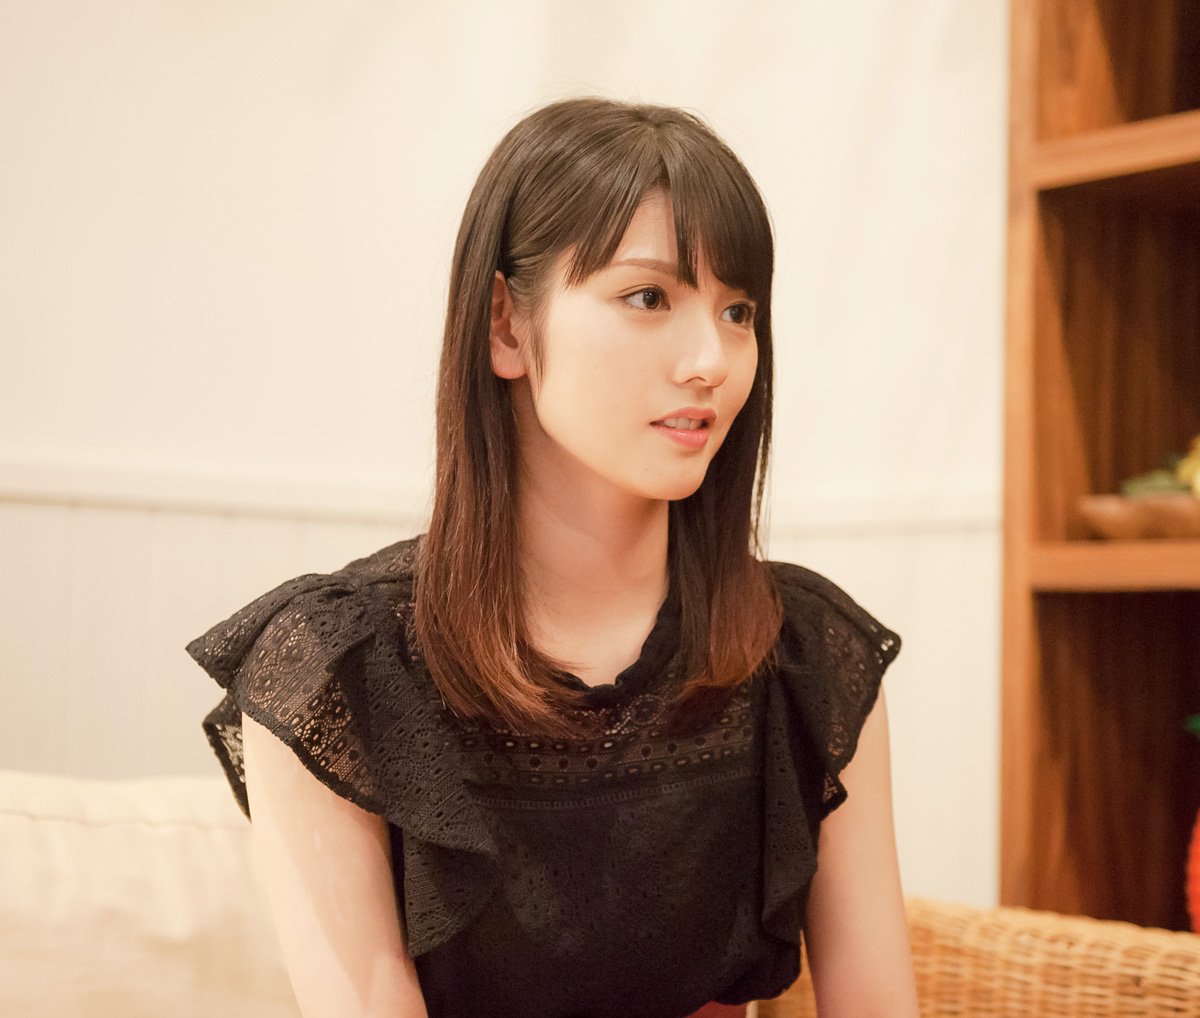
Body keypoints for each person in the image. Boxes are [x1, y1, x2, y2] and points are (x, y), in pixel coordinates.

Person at [186, 96, 918, 1018]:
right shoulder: (335, 673)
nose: (713, 360)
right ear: (506, 325)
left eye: (739, 311)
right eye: (648, 297)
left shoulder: (807, 655)